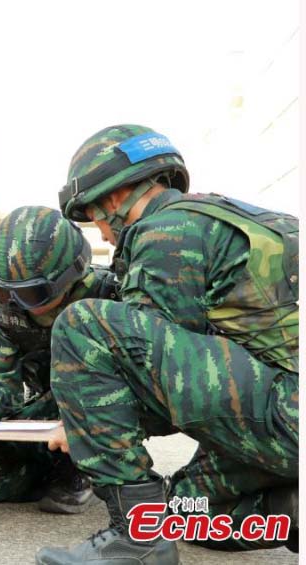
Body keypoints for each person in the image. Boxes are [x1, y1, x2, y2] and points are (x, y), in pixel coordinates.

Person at [36, 124, 298, 564]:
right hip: (285, 418)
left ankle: (135, 541)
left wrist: (85, 426)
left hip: (286, 417)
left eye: (97, 217)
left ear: (115, 197)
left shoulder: (166, 231)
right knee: (187, 509)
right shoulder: (238, 218)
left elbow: (143, 378)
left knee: (82, 327)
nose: (101, 233)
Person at [0, 206, 118, 512]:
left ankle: (93, 468)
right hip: (48, 411)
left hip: (103, 415)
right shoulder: (4, 304)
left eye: (32, 294)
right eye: (3, 292)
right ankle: (58, 463)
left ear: (69, 277)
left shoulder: (110, 296)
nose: (16, 304)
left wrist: (85, 428)